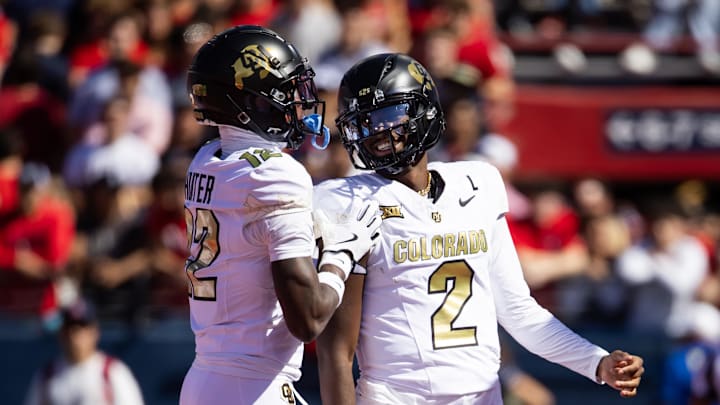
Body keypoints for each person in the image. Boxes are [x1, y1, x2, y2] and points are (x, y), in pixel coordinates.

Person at [313, 53, 645, 404]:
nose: (377, 132)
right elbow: (336, 351)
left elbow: (518, 312)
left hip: (483, 395)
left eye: (388, 115)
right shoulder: (343, 201)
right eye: (364, 123)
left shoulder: (477, 183)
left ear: (423, 111)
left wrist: (597, 361)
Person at [178, 25, 381, 405]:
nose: (296, 102)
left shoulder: (206, 160)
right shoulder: (275, 173)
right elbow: (308, 318)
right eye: (286, 92)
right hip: (254, 386)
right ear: (251, 102)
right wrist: (342, 252)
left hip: (206, 378)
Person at [23, 297, 145, 405]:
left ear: (95, 332)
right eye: (70, 329)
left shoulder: (112, 372)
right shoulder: (47, 376)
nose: (75, 336)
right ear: (61, 334)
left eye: (82, 328)